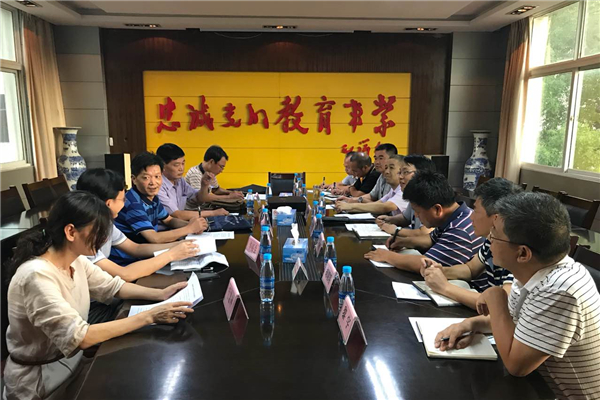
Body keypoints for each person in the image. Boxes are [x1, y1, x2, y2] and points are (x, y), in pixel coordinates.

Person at [3, 191, 195, 400]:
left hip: (70, 366)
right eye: (99, 231)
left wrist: (159, 294)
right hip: (40, 384)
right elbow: (81, 337)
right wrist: (149, 316)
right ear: (71, 232)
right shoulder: (36, 275)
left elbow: (112, 287)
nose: (104, 239)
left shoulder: (75, 259)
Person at [435, 193, 600, 400]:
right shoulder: (534, 269)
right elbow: (513, 321)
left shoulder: (560, 291)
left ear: (522, 253)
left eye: (494, 235)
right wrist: (471, 324)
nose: (488, 240)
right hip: (538, 386)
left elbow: (516, 366)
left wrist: (496, 298)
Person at [77, 168, 199, 282]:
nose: (125, 203)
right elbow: (124, 274)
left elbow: (136, 248)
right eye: (122, 199)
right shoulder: (84, 235)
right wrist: (171, 254)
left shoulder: (106, 223)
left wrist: (179, 245)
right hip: (109, 280)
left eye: (157, 176)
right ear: (109, 203)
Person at [419, 178, 522, 309]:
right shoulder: (492, 239)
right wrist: (440, 271)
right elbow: (470, 269)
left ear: (496, 218)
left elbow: (502, 307)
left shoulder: (515, 250)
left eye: (476, 210)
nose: (471, 217)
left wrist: (445, 287)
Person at [364, 170, 485, 273]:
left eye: (418, 211)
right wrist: (404, 242)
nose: (416, 215)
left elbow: (425, 264)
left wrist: (387, 256)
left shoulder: (460, 230)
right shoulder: (455, 214)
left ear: (437, 209)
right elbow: (430, 239)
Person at [111, 151, 208, 266]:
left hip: (145, 255)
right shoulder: (133, 203)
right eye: (146, 178)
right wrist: (189, 228)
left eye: (157, 177)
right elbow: (154, 238)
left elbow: (169, 220)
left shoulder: (153, 198)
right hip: (127, 262)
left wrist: (191, 225)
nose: (153, 183)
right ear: (134, 179)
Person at [156, 143, 229, 219]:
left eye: (183, 163)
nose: (181, 168)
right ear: (162, 165)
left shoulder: (180, 181)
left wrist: (204, 185)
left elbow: (199, 198)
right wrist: (213, 213)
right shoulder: (158, 186)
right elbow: (176, 214)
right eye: (176, 165)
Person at [376, 154, 436, 238]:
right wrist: (389, 219)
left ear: (422, 174)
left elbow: (425, 233)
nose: (400, 177)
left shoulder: (430, 196)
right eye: (400, 172)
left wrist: (396, 231)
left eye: (405, 172)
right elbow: (406, 218)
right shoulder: (414, 195)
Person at [335, 154, 408, 215]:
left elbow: (384, 207)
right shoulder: (393, 190)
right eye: (386, 168)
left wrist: (350, 206)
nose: (386, 172)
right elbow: (378, 204)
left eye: (391, 168)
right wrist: (350, 204)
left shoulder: (404, 190)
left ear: (403, 172)